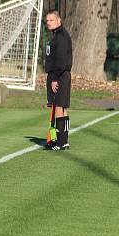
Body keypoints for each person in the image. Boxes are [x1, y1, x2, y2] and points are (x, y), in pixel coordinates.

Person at [44, 9, 72, 151]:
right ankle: (64, 141)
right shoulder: (56, 35)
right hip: (60, 75)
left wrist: (54, 78)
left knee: (59, 107)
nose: (48, 23)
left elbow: (60, 61)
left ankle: (60, 142)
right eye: (47, 20)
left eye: (51, 20)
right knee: (62, 106)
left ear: (59, 21)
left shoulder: (61, 36)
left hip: (59, 75)